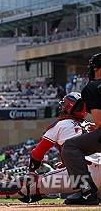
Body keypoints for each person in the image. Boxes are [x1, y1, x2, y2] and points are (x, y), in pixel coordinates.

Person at [0, 92, 101, 205]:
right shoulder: (91, 125)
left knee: (29, 184)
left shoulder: (61, 125)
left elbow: (37, 154)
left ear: (67, 107)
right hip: (96, 170)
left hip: (85, 175)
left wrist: (32, 170)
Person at [61, 53, 101, 205]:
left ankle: (87, 192)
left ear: (96, 68)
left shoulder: (92, 87)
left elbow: (99, 120)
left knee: (70, 147)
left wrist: (96, 126)